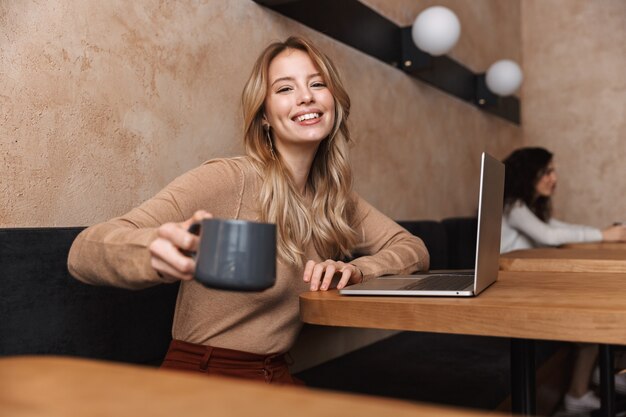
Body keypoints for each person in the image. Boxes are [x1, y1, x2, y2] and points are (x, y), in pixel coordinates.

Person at [67, 36, 429, 385]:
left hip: (275, 376)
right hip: (202, 378)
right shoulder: (230, 178)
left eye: (317, 84)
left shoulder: (334, 200)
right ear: (265, 117)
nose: (305, 97)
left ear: (333, 100)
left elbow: (413, 250)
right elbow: (83, 251)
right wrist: (154, 252)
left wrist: (357, 270)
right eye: (285, 89)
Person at [500, 147, 626, 413]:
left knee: (594, 307)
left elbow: (561, 229)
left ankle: (589, 383)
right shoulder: (514, 207)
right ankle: (585, 387)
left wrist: (605, 233)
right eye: (547, 171)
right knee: (592, 315)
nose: (554, 178)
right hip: (510, 290)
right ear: (528, 173)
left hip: (528, 285)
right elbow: (549, 237)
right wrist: (604, 236)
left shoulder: (531, 209)